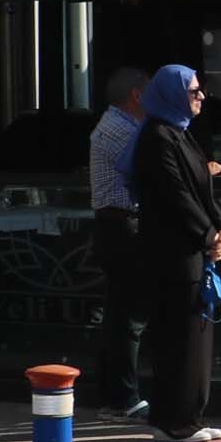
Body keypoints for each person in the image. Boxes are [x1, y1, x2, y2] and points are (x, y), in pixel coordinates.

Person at [126, 65, 221, 442]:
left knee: (189, 335)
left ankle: (181, 415)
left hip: (192, 249)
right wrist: (207, 235)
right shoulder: (157, 137)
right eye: (194, 91)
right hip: (172, 253)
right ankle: (177, 421)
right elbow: (174, 194)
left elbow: (200, 187)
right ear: (172, 94)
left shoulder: (181, 133)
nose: (202, 97)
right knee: (179, 337)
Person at [86, 68, 151, 420]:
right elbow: (150, 167)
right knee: (129, 315)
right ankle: (124, 396)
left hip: (115, 225)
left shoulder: (117, 125)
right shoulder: (121, 129)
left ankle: (112, 395)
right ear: (137, 96)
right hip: (122, 225)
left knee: (117, 313)